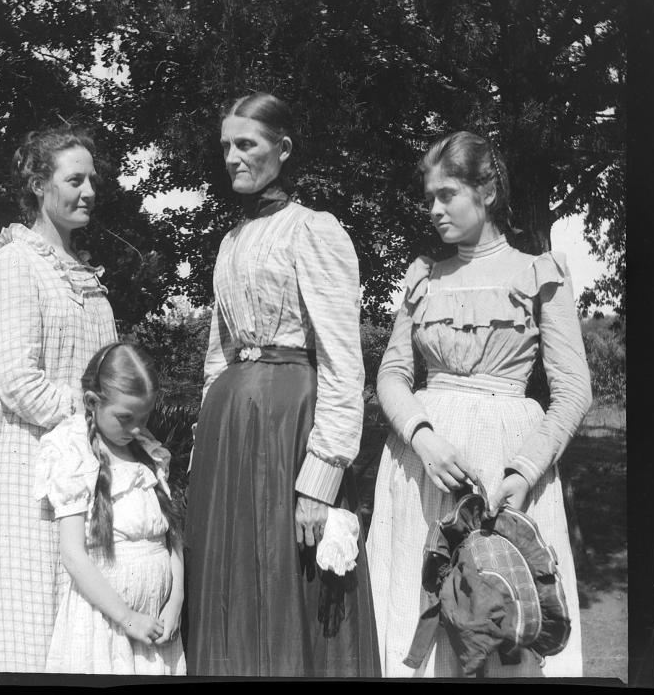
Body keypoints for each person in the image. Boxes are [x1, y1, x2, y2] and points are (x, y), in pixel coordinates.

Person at [366, 130, 592, 678]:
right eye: (428, 198)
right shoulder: (424, 276)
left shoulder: (538, 272)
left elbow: (573, 390)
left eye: (447, 194)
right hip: (423, 469)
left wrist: (526, 469)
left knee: (500, 623)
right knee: (418, 609)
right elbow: (392, 374)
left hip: (506, 470)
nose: (434, 209)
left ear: (487, 190)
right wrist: (423, 437)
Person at [184, 92, 380, 677]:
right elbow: (218, 355)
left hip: (289, 423)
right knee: (230, 583)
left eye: (247, 144)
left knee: (287, 574)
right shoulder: (229, 241)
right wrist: (203, 446)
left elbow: (343, 362)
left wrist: (321, 479)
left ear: (283, 149)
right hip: (229, 429)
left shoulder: (314, 231)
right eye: (226, 146)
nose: (233, 157)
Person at [0, 127, 118, 671]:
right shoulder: (16, 263)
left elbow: (108, 370)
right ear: (37, 185)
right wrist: (100, 413)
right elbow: (19, 383)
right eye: (74, 179)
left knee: (86, 617)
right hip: (29, 469)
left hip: (87, 462)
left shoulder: (85, 275)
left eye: (92, 179)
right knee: (33, 620)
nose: (89, 190)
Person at [34, 342, 186, 674]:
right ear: (92, 402)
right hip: (106, 622)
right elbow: (73, 555)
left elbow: (172, 539)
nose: (135, 429)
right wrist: (127, 617)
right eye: (125, 418)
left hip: (157, 624)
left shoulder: (149, 455)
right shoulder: (75, 455)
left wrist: (175, 603)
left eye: (143, 419)